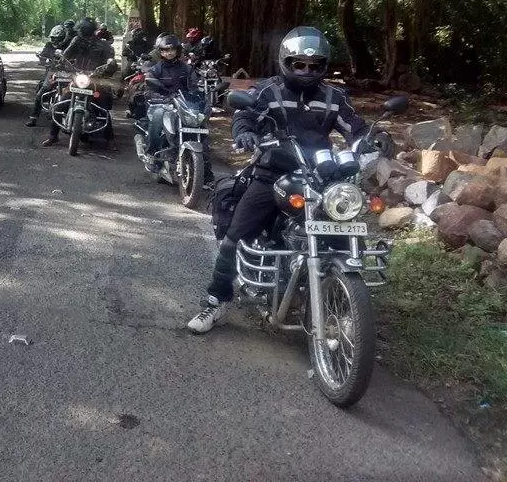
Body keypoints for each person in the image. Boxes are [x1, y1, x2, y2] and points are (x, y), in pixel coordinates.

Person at [186, 26, 367, 334]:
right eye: (299, 64)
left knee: (346, 233)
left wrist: (375, 140)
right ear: (286, 61)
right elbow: (246, 114)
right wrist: (244, 134)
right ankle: (216, 300)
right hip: (273, 174)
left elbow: (356, 127)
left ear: (323, 66)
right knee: (234, 236)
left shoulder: (334, 97)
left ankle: (343, 299)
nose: (307, 71)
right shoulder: (269, 90)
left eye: (314, 65)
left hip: (322, 178)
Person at [42, 18, 118, 147]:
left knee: (103, 107)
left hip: (95, 79)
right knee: (60, 103)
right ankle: (53, 136)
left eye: (83, 29)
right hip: (78, 77)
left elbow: (111, 63)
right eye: (81, 29)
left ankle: (109, 139)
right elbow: (65, 55)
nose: (82, 31)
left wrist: (109, 66)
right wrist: (61, 62)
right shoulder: (77, 41)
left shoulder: (103, 45)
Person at [142, 33, 202, 168]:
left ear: (177, 50)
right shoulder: (156, 70)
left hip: (183, 105)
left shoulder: (187, 69)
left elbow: (194, 88)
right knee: (157, 116)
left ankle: (207, 172)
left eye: (172, 50)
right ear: (161, 52)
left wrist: (199, 98)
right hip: (162, 103)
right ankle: (151, 155)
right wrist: (159, 97)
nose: (169, 53)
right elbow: (149, 90)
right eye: (165, 50)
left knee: (201, 125)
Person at [26, 24, 69, 127]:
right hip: (52, 72)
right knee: (40, 94)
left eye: (58, 38)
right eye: (53, 38)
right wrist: (42, 59)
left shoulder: (69, 46)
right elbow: (44, 55)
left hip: (67, 73)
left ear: (64, 37)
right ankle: (33, 118)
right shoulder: (49, 45)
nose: (55, 40)